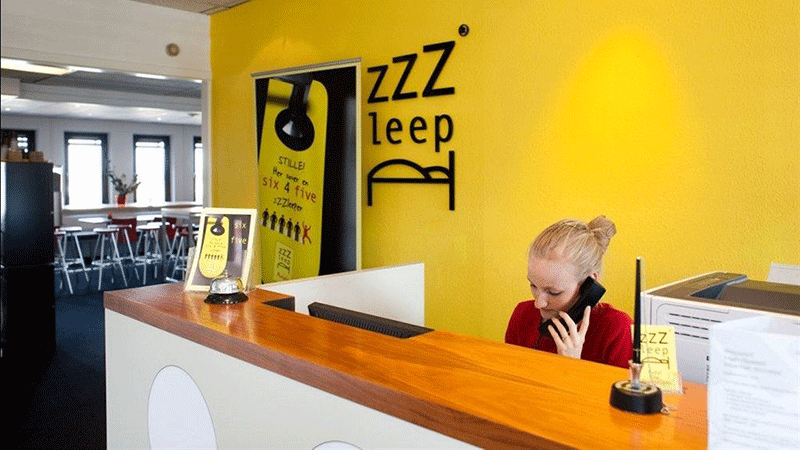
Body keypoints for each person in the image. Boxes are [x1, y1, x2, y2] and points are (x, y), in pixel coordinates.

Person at [505, 216, 633, 368]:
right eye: (533, 285)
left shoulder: (618, 330)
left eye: (553, 292)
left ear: (588, 283)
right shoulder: (522, 315)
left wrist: (572, 366)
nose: (539, 303)